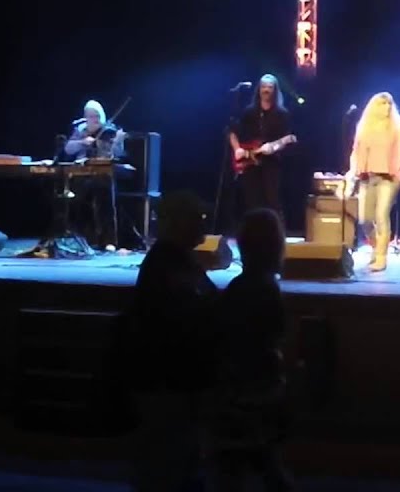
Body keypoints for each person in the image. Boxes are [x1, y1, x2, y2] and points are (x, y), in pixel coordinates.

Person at [119, 190, 219, 492]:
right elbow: (191, 313)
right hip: (166, 383)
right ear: (178, 223)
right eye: (197, 218)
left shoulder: (178, 260)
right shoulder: (168, 263)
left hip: (175, 382)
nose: (204, 224)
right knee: (165, 464)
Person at [208, 208, 293, 492]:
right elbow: (276, 332)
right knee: (263, 462)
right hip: (258, 386)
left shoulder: (238, 287)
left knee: (237, 465)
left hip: (236, 387)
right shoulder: (267, 288)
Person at [344, 92, 400, 272]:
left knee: (381, 215)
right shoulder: (364, 127)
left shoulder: (398, 127)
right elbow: (355, 152)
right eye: (383, 104)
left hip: (389, 178)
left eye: (389, 104)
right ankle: (376, 247)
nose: (387, 107)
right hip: (367, 177)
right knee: (364, 218)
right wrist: (351, 174)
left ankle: (382, 258)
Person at [62, 99, 126, 249]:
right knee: (77, 200)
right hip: (82, 173)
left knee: (104, 197)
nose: (95, 119)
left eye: (97, 116)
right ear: (85, 117)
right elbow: (68, 149)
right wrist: (82, 142)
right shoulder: (80, 130)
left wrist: (118, 142)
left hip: (103, 173)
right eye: (91, 116)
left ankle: (109, 240)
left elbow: (118, 154)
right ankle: (82, 239)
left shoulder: (109, 131)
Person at [229, 75, 293, 218]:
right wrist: (237, 149)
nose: (266, 90)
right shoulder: (249, 112)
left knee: (272, 201)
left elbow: (286, 139)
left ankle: (276, 229)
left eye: (270, 87)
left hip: (271, 163)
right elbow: (232, 132)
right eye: (263, 87)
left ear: (275, 90)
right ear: (259, 89)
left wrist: (274, 147)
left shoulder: (282, 114)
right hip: (249, 164)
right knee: (252, 202)